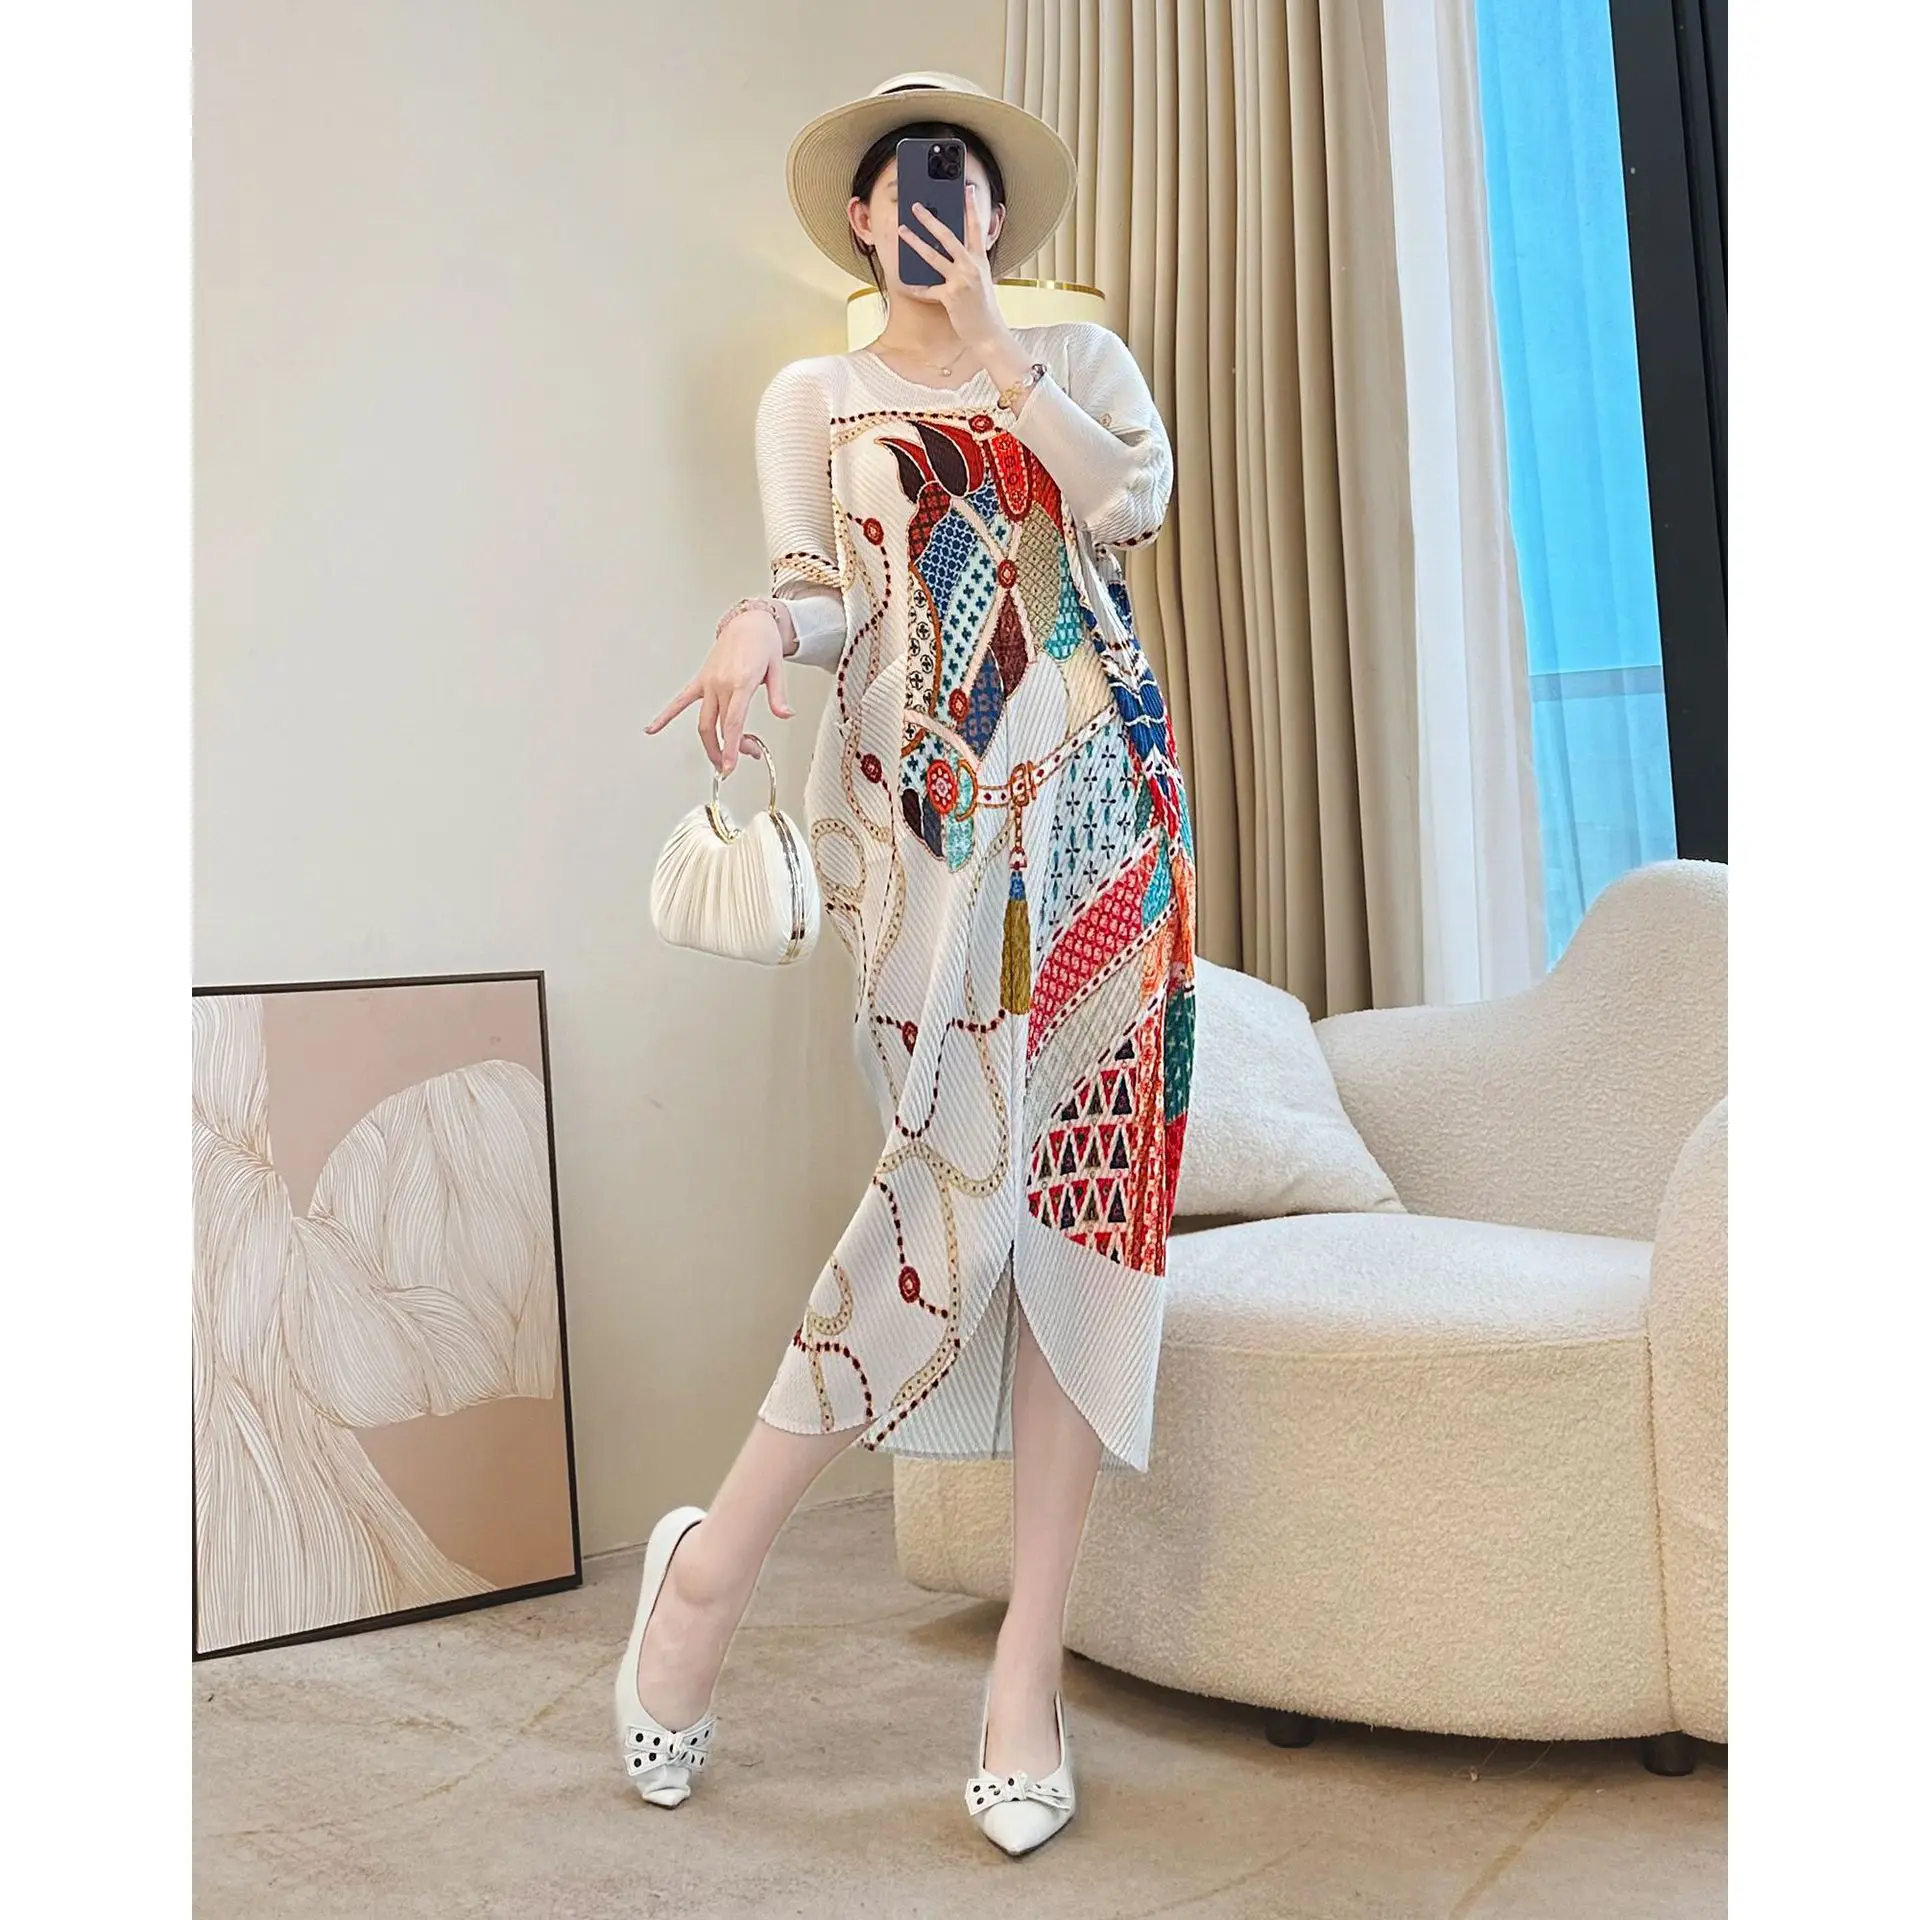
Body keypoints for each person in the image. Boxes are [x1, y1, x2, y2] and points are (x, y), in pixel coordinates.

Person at [627, 69, 1197, 1857]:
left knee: (1088, 1217)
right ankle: (710, 1570)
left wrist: (1006, 354)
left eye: (960, 177)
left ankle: (1027, 1672)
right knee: (942, 1207)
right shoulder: (817, 395)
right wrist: (754, 626)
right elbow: (824, 587)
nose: (932, 201)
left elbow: (1129, 505)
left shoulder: (1077, 365)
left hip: (1107, 824)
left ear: (994, 216)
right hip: (929, 851)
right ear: (863, 221)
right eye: (901, 181)